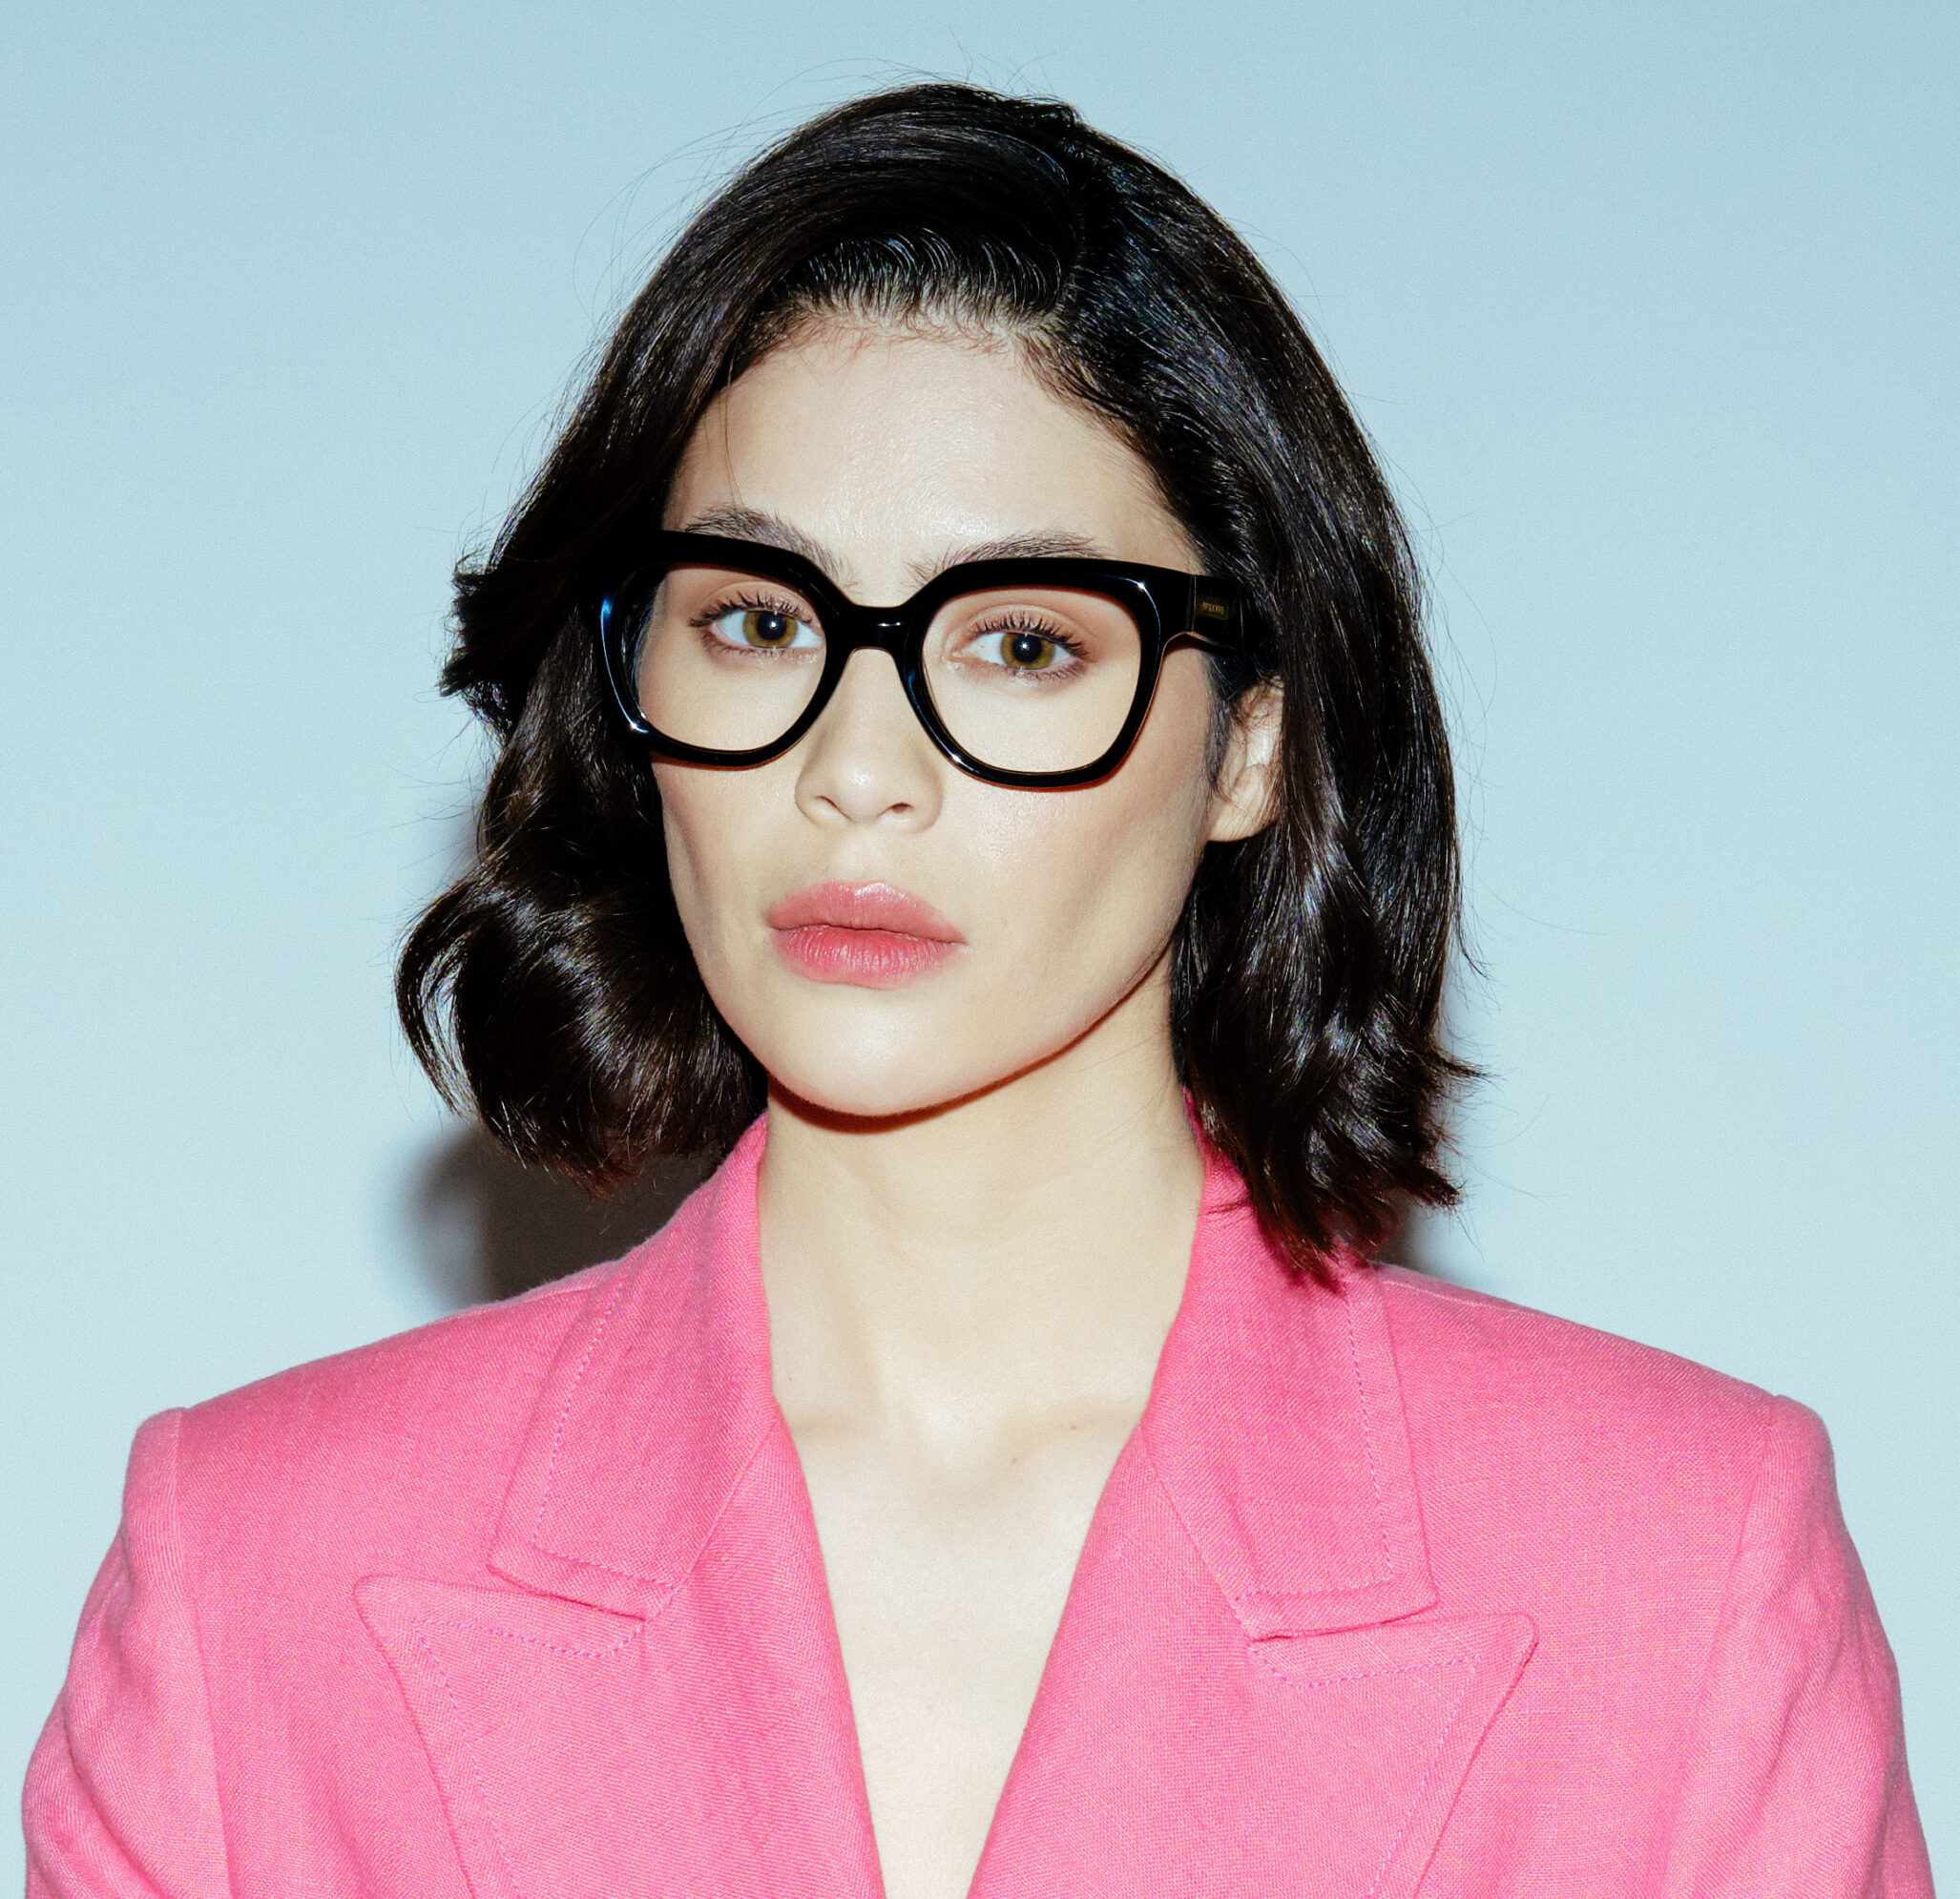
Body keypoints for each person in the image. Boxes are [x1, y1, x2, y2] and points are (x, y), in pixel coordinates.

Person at [24, 83, 1930, 1899]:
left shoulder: (1680, 1574)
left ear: (1249, 739)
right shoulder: (251, 1572)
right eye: (755, 622)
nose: (858, 766)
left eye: (1019, 643)